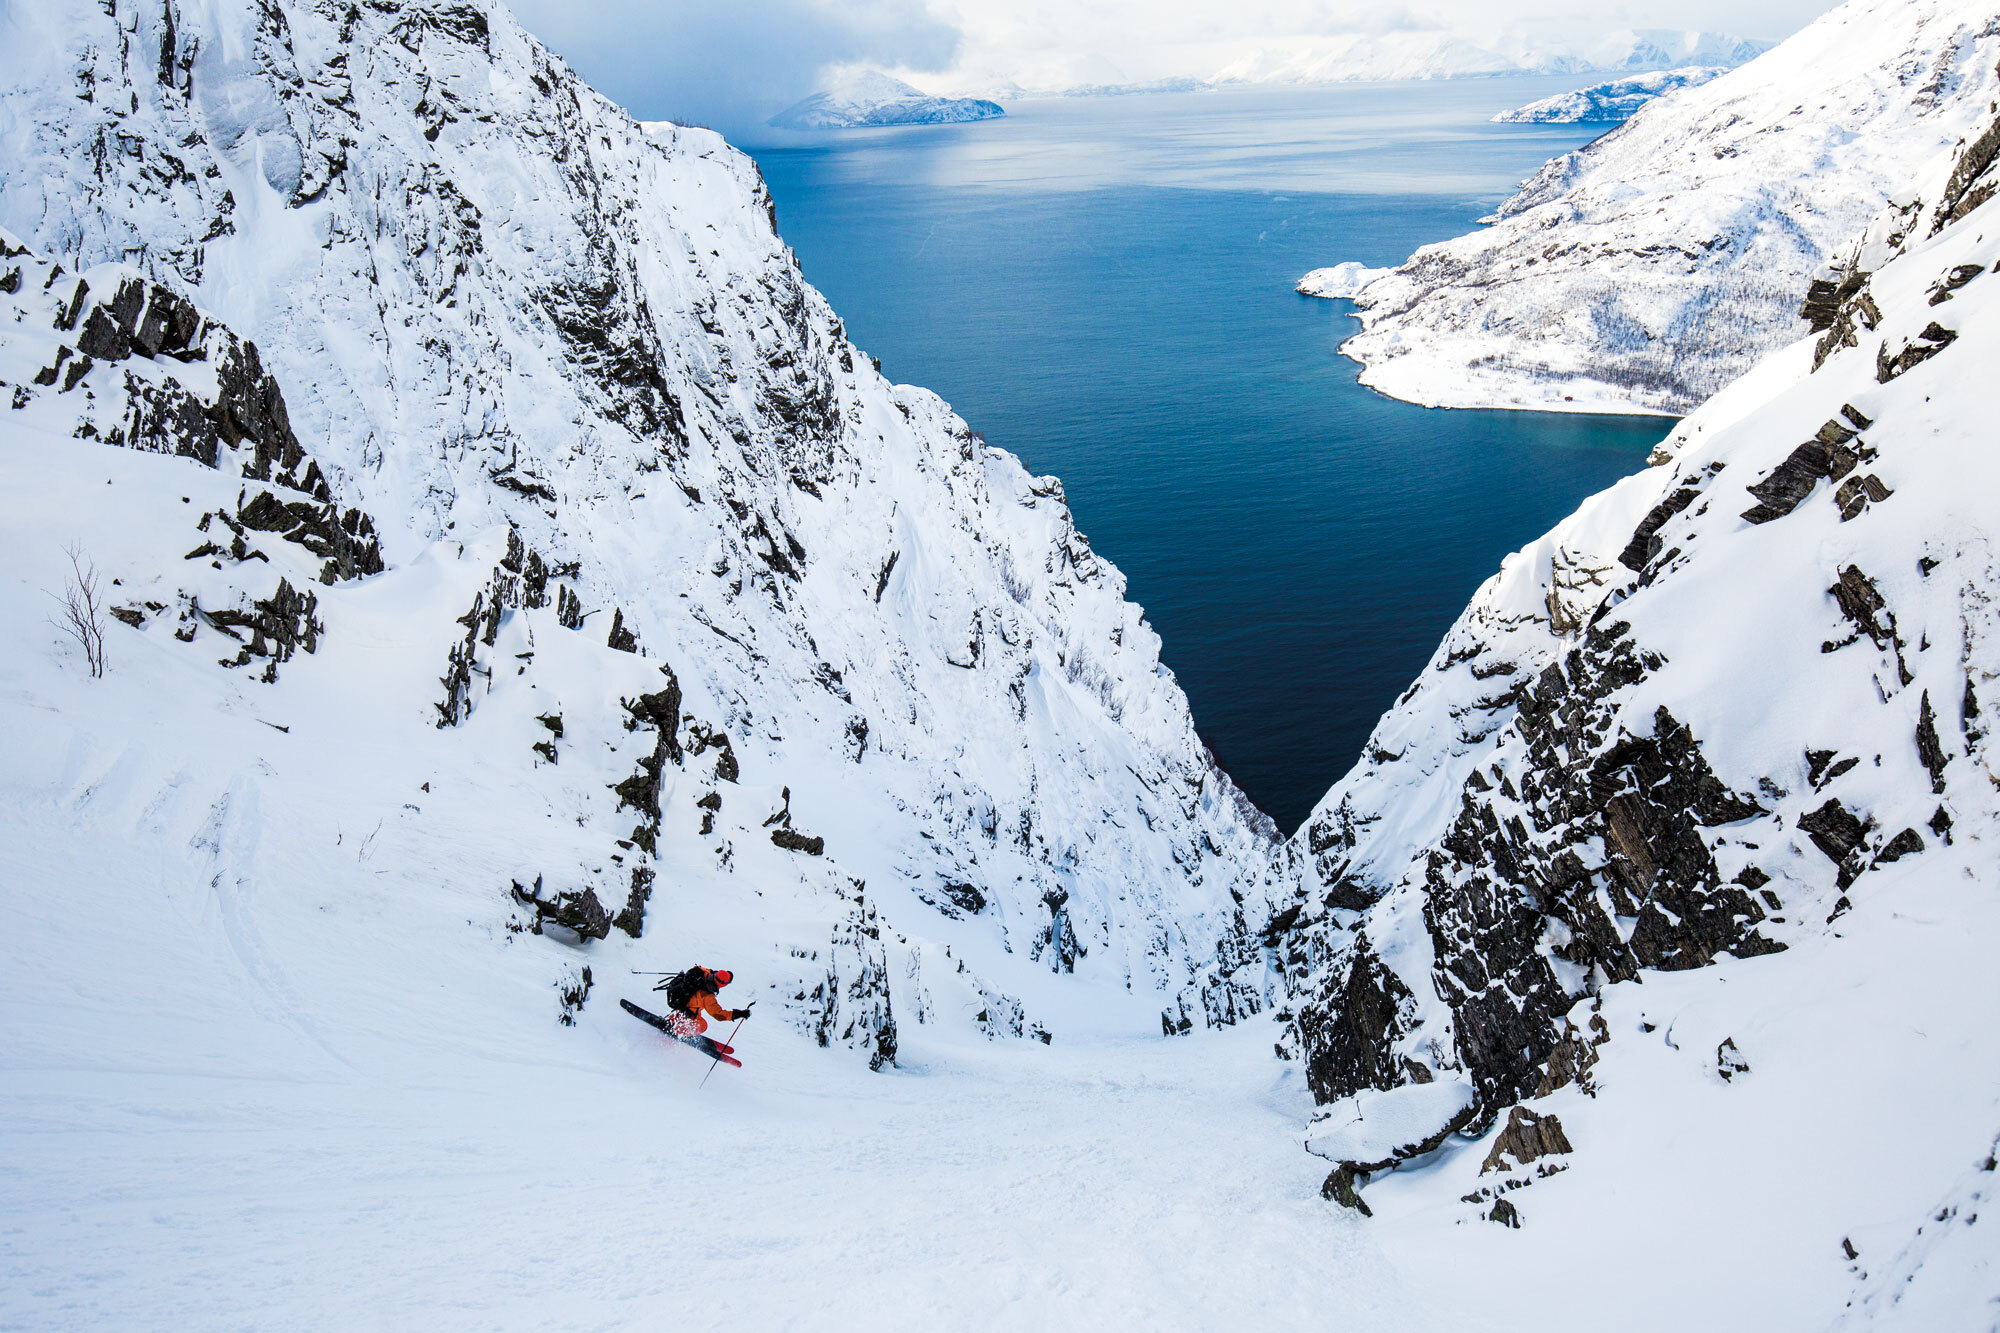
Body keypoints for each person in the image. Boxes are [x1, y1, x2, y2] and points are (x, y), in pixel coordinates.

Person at [660, 965, 752, 1041]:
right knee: (702, 1025)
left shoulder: (705, 973)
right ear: (722, 985)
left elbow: (697, 967)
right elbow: (718, 1014)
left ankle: (672, 1021)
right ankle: (676, 1032)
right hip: (689, 1010)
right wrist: (739, 1014)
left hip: (682, 1000)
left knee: (692, 1009)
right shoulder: (707, 996)